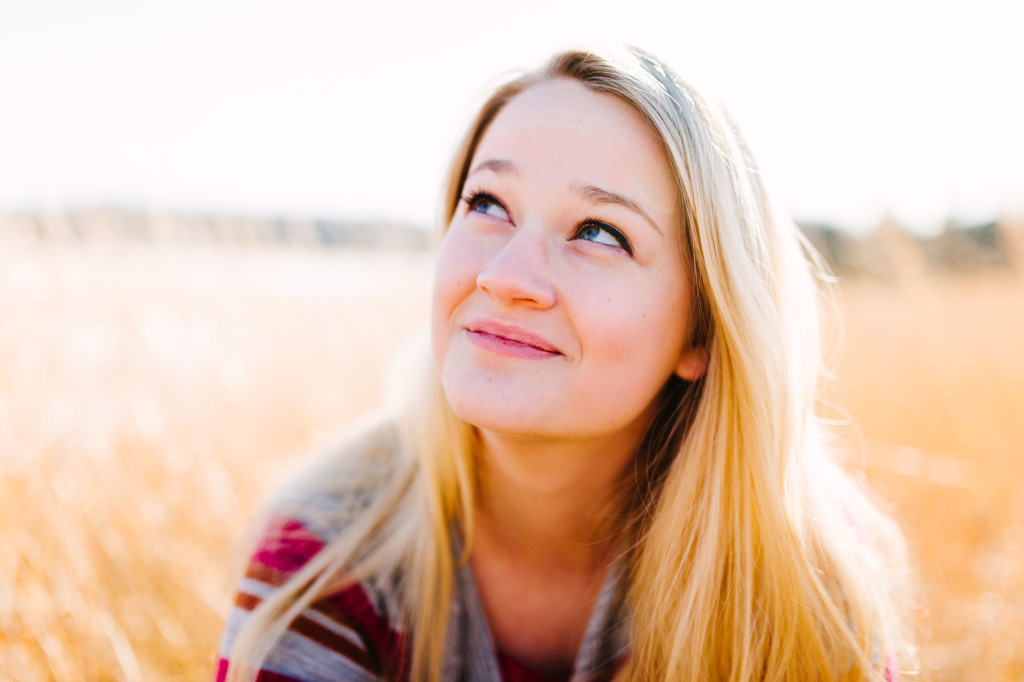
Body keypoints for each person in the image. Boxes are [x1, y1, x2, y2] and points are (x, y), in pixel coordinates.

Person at [216, 46, 914, 682]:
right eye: (487, 203)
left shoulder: (802, 581)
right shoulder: (329, 555)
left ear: (702, 330)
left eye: (600, 232)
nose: (504, 275)